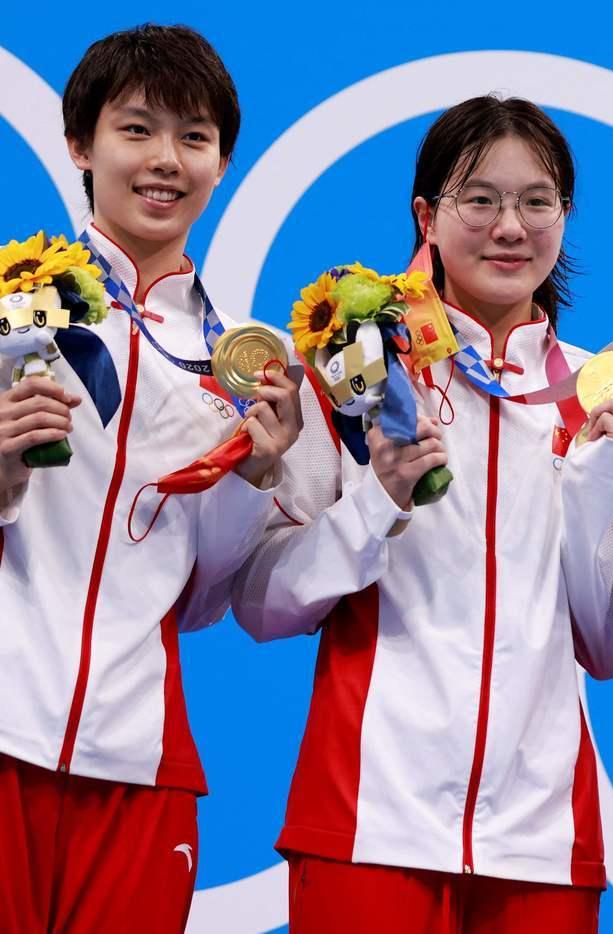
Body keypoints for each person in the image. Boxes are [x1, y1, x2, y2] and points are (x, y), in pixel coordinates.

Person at [231, 95, 613, 933]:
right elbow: (263, 602)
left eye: (538, 201)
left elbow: (610, 649)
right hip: (368, 818)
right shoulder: (353, 373)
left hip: (541, 843)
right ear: (427, 215)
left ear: (564, 217)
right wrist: (377, 502)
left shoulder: (601, 395)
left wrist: (605, 466)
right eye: (481, 199)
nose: (512, 226)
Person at [0, 24, 302, 934]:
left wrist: (257, 476)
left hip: (139, 760)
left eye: (195, 137)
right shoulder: (10, 309)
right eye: (136, 130)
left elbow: (207, 596)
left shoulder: (243, 366)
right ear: (80, 146)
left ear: (222, 164)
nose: (165, 160)